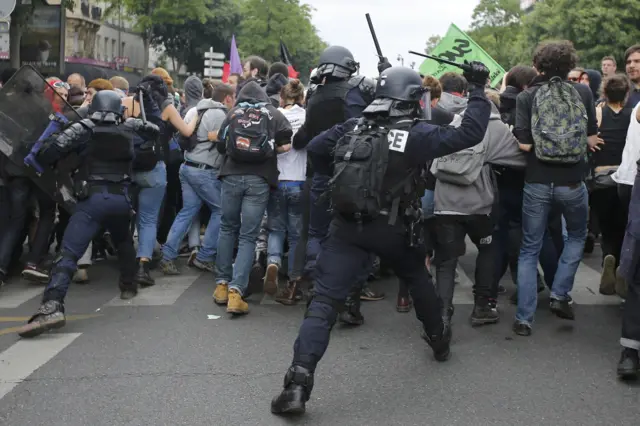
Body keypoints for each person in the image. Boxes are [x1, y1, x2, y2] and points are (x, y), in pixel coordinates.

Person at [270, 63, 492, 415]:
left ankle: (297, 385)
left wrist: (337, 184)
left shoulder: (353, 125)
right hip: (394, 229)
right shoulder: (415, 134)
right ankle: (438, 341)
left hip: (346, 227)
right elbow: (469, 133)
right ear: (413, 99)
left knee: (324, 303)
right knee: (418, 279)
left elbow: (314, 148)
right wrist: (478, 89)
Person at [16, 90, 160, 338]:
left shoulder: (85, 128)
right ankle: (128, 284)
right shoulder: (130, 131)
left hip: (93, 200)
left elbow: (47, 154)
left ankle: (52, 305)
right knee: (124, 241)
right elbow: (149, 152)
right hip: (121, 200)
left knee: (68, 254)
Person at [291, 45, 382, 325]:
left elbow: (306, 134)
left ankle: (318, 290)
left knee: (318, 233)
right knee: (355, 235)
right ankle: (350, 297)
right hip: (352, 175)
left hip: (320, 173)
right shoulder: (358, 90)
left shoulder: (314, 95)